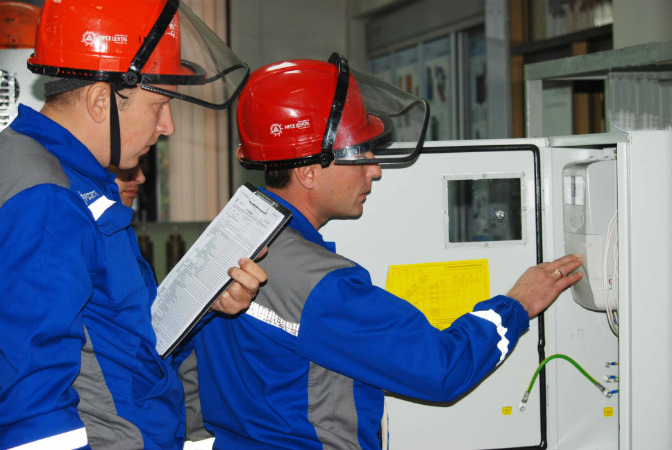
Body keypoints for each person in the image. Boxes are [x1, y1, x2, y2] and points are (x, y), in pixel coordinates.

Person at [184, 54, 584, 450]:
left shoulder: (227, 240)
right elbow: (442, 369)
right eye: (360, 152)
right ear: (308, 172)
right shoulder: (321, 284)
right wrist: (518, 304)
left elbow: (189, 385)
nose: (374, 169)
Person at [0, 1, 266, 449]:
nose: (168, 126)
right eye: (159, 104)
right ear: (100, 100)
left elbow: (114, 331)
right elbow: (32, 403)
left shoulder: (71, 175)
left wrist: (203, 303)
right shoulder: (46, 196)